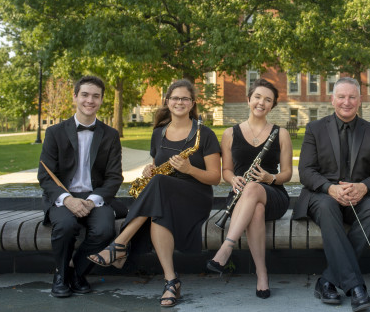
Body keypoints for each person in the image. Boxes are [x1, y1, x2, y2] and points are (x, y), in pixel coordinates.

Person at [87, 80, 221, 307]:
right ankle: (171, 281)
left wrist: (189, 169)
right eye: (175, 98)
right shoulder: (158, 133)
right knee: (159, 207)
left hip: (195, 197)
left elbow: (215, 178)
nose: (180, 102)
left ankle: (119, 245)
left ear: (192, 103)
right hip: (164, 197)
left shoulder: (204, 134)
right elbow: (155, 167)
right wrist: (148, 171)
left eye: (185, 99)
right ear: (167, 101)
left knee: (159, 185)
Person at [294, 77, 370, 312]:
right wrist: (330, 188)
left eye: (352, 97)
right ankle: (356, 288)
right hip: (323, 197)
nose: (346, 102)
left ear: (359, 100)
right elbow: (306, 171)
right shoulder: (314, 129)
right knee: (328, 206)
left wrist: (364, 187)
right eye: (341, 96)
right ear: (332, 99)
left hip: (360, 198)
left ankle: (327, 280)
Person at [38, 75, 123, 298]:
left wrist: (92, 200)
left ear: (102, 100)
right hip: (64, 197)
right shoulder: (54, 133)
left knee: (105, 230)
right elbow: (45, 176)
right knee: (66, 227)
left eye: (96, 96)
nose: (89, 100)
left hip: (95, 196)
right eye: (84, 95)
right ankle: (60, 275)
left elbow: (114, 177)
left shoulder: (111, 135)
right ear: (75, 96)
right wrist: (68, 199)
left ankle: (76, 272)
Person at [207, 79, 293, 299]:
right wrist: (233, 179)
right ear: (248, 99)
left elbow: (287, 175)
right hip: (240, 196)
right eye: (257, 97)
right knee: (255, 209)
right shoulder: (230, 133)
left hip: (274, 195)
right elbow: (225, 170)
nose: (261, 103)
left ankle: (226, 247)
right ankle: (262, 275)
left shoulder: (281, 134)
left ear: (272, 106)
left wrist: (270, 177)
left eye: (268, 100)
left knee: (254, 188)